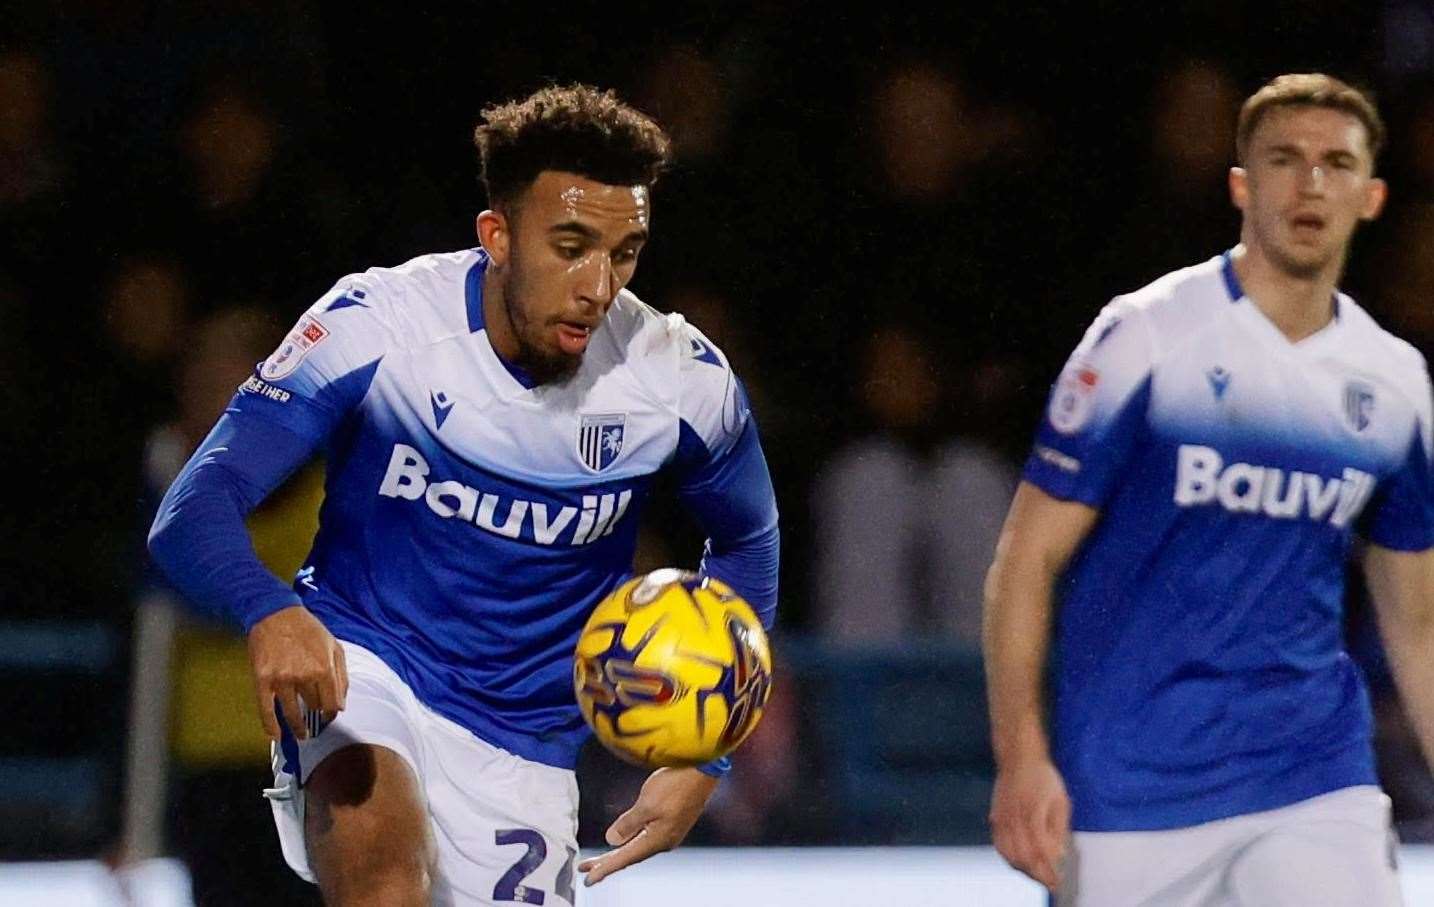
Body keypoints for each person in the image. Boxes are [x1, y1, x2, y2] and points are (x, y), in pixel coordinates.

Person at [148, 83, 780, 906]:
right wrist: (267, 608)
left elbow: (748, 541)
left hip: (525, 748)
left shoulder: (679, 382)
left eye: (624, 253)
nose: (599, 285)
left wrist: (707, 752)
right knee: (380, 877)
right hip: (366, 671)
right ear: (498, 235)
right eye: (571, 244)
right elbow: (196, 504)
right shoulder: (378, 327)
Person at [983, 73, 1433, 906]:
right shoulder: (1146, 337)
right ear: (1240, 185)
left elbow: (1418, 622)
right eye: (1284, 160)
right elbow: (1026, 559)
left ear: (1371, 197)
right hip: (1127, 785)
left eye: (1336, 163)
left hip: (1312, 775)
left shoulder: (1395, 384)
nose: (1310, 184)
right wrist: (1021, 755)